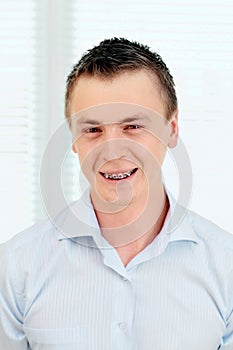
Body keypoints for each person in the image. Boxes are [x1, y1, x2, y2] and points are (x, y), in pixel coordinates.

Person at [0, 37, 233, 350]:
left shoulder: (226, 266)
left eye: (133, 127)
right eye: (92, 130)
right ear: (72, 137)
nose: (111, 151)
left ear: (172, 128)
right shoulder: (16, 268)